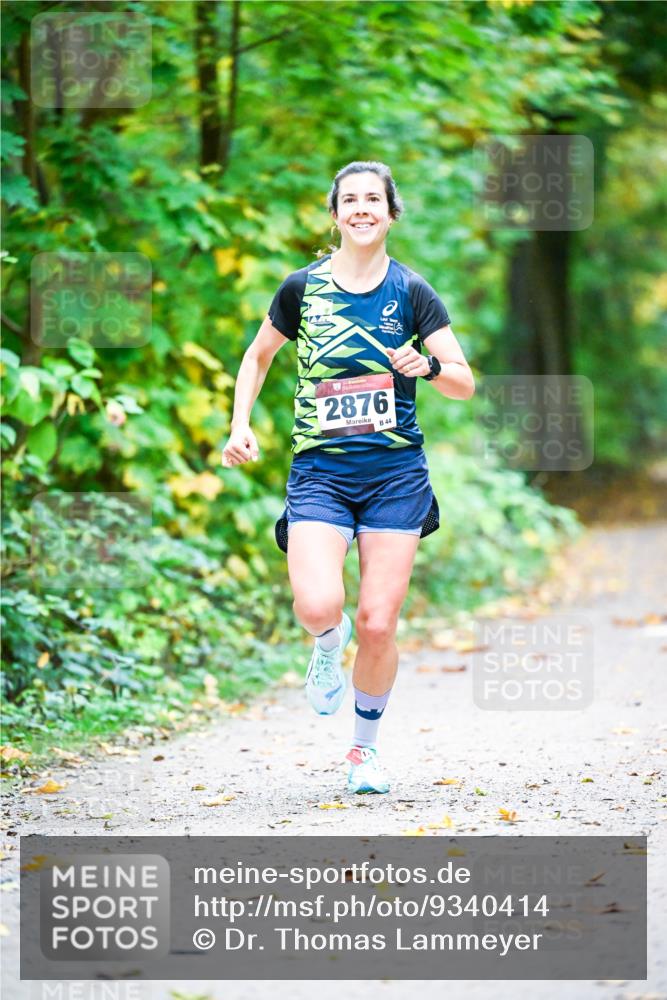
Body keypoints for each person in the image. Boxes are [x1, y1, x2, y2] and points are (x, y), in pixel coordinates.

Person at [222, 161, 474, 795]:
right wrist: (240, 424)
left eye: (374, 199)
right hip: (321, 472)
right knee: (318, 606)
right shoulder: (301, 289)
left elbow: (464, 383)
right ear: (334, 215)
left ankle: (365, 752)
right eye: (350, 200)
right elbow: (257, 358)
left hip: (395, 475)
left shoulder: (413, 292)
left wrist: (425, 366)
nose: (362, 208)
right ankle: (326, 644)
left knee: (381, 622)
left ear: (391, 214)